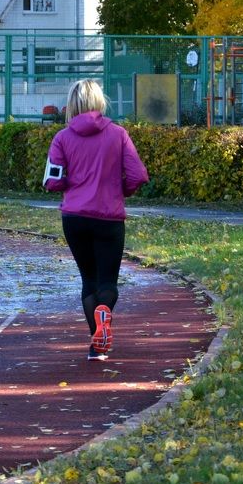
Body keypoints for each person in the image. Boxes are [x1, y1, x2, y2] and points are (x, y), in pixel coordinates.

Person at [43, 80, 149, 361]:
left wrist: (70, 184)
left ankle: (96, 345)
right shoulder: (119, 134)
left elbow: (52, 181)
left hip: (75, 217)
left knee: (88, 279)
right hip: (109, 216)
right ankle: (105, 316)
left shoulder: (62, 138)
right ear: (100, 101)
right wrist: (120, 190)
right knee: (108, 281)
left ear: (73, 104)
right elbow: (138, 175)